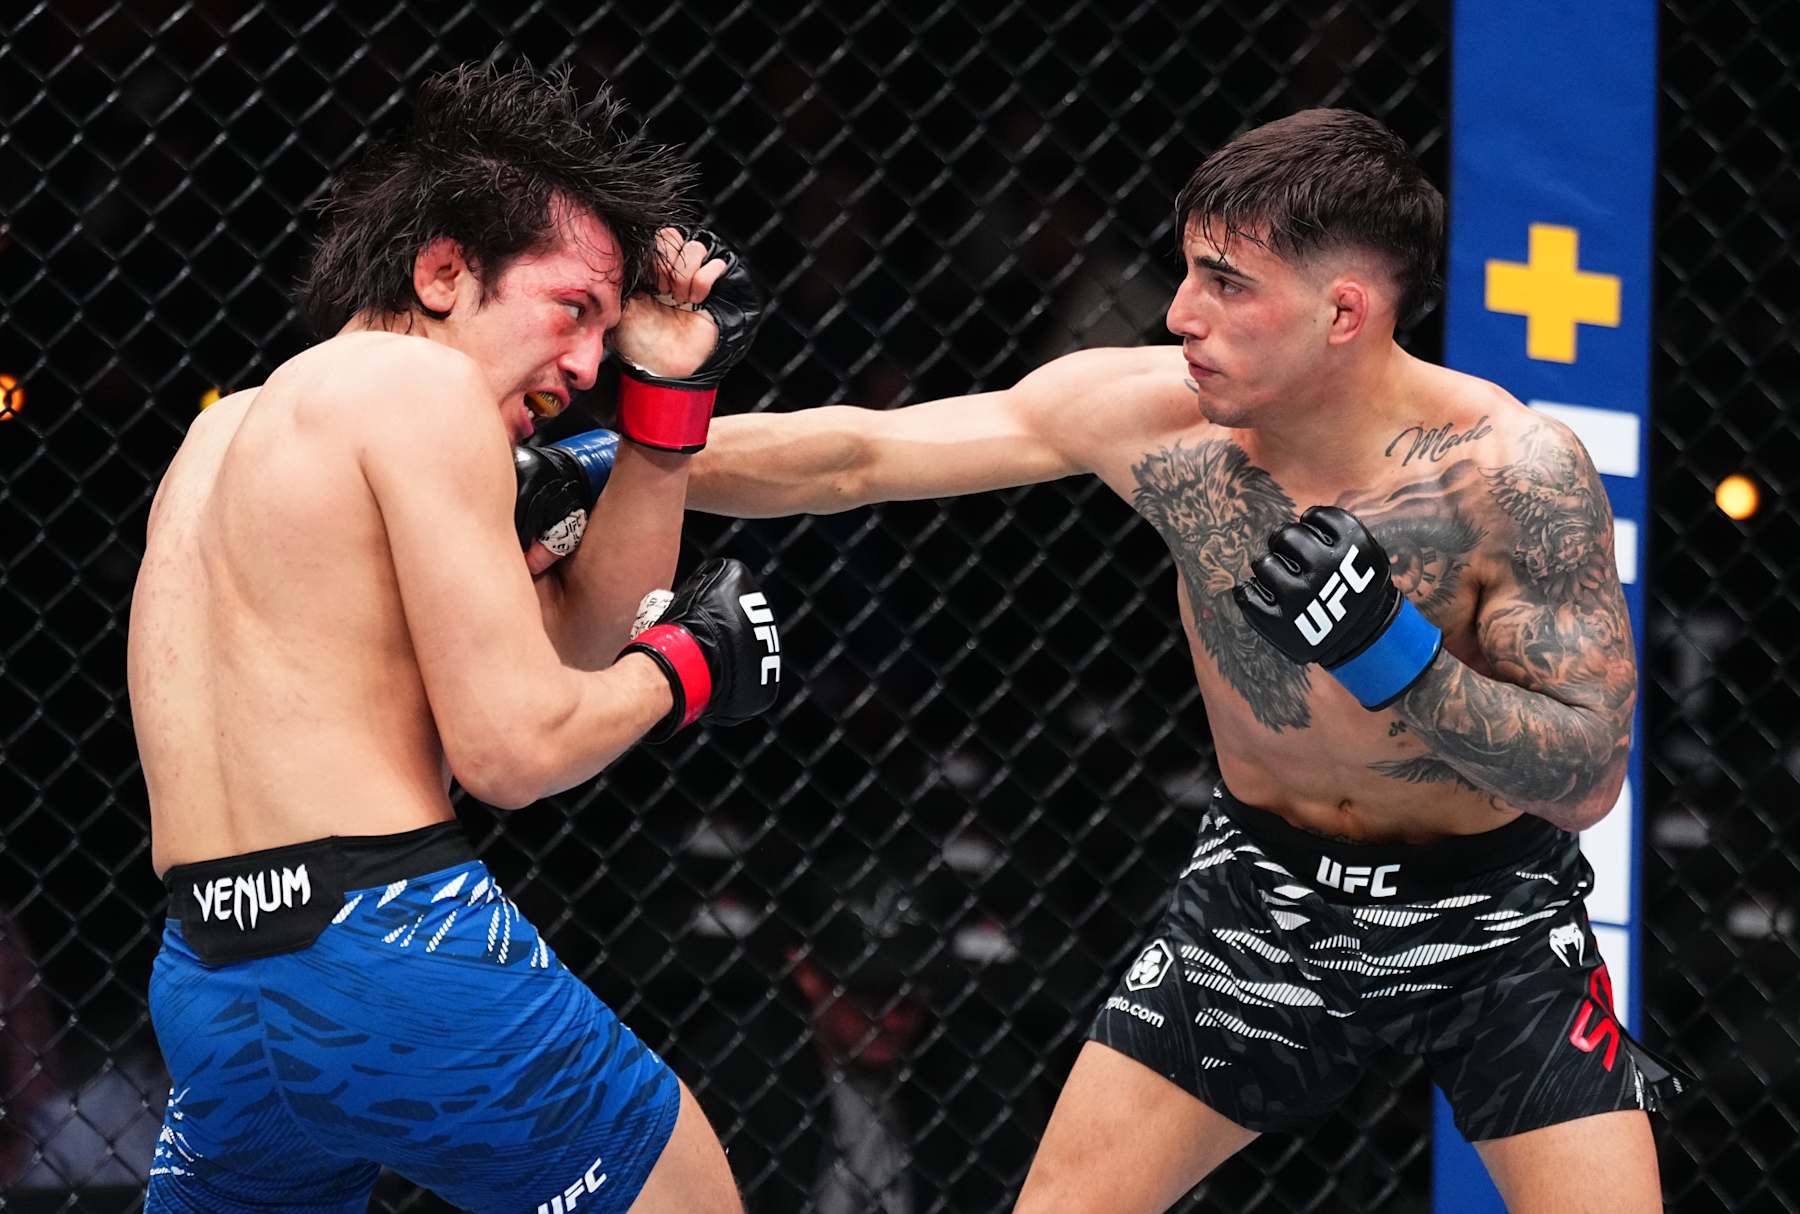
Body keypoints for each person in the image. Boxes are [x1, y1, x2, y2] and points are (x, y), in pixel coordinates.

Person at [679, 108, 1687, 1213]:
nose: (1178, 312)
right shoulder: (1158, 418)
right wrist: (613, 452)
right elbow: (858, 456)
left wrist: (1395, 654)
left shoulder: (1512, 475)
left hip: (1489, 917)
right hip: (1262, 897)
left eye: (1225, 281)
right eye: (1189, 272)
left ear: (1342, 308)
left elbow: (1589, 776)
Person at [127, 64, 781, 1214]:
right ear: (442, 271)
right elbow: (518, 749)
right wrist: (689, 663)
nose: (587, 366)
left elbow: (577, 644)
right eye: (574, 309)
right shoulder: (421, 391)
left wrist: (665, 401)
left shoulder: (219, 438)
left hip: (208, 978)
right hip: (387, 943)